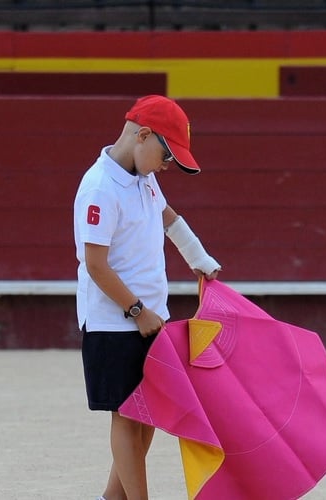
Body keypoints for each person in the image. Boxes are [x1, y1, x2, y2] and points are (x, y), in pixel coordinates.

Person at [73, 94, 221, 500]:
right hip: (114, 320)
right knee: (126, 415)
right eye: (166, 155)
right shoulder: (100, 186)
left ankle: (112, 498)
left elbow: (167, 217)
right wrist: (137, 310)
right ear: (142, 135)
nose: (167, 165)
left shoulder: (144, 178)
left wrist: (199, 258)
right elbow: (96, 265)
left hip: (150, 315)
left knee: (150, 412)